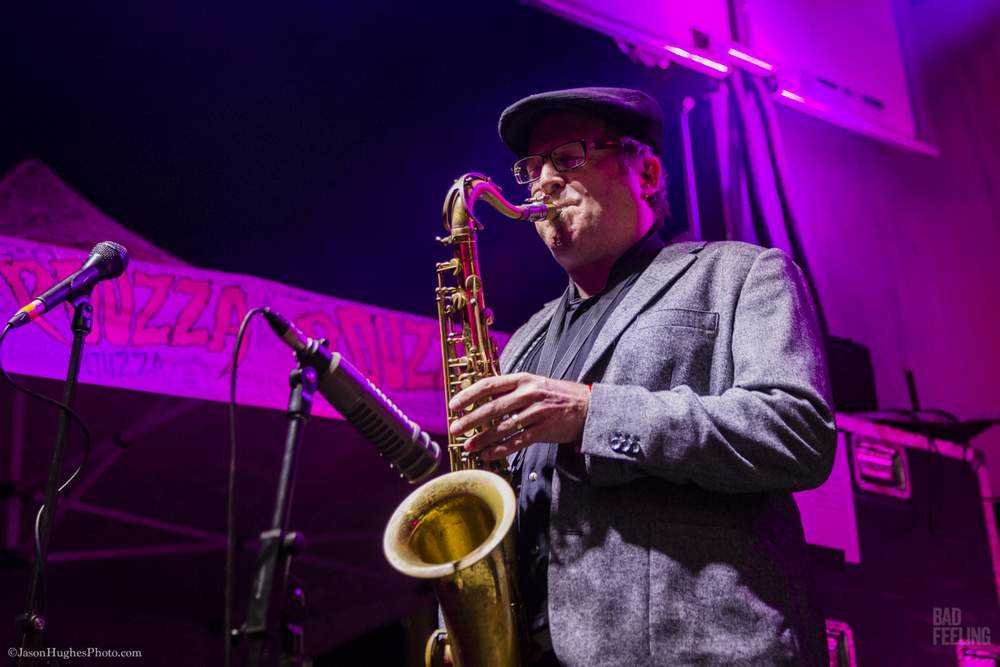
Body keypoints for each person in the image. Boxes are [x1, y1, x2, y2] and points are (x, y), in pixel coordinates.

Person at [446, 87, 837, 666]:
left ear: (647, 172)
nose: (543, 181)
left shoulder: (741, 273)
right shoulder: (523, 340)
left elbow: (798, 433)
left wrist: (591, 414)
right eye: (532, 167)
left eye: (569, 157)